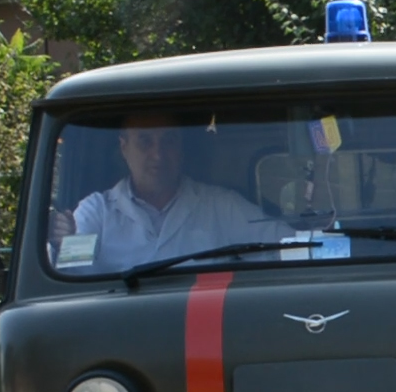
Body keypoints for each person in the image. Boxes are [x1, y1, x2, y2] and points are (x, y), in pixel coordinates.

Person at [49, 112, 287, 272]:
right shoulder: (97, 211)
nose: (158, 154)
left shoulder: (221, 205)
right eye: (145, 141)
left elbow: (285, 245)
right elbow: (72, 275)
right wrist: (63, 244)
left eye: (168, 141)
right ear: (124, 147)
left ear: (180, 147)